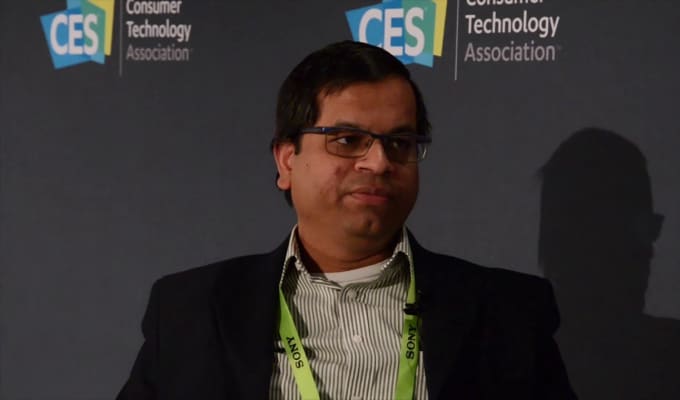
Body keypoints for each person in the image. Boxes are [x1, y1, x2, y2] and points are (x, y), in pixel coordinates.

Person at [117, 40, 576, 400]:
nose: (379, 162)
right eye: (347, 140)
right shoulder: (190, 311)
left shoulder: (507, 314)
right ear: (286, 161)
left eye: (399, 143)